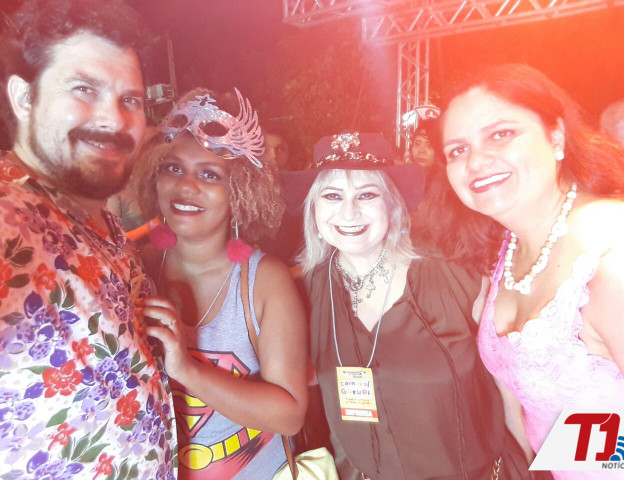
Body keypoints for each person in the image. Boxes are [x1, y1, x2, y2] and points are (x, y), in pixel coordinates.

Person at [281, 132, 529, 480]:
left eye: (367, 194)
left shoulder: (456, 276)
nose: (348, 212)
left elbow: (512, 384)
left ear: (392, 204)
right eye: (332, 195)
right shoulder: (301, 295)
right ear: (314, 210)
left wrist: (528, 461)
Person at [0, 1, 177, 479]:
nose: (113, 120)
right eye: (84, 89)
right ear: (24, 97)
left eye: (130, 100)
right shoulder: (11, 215)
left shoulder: (103, 222)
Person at [438, 63, 624, 479]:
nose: (476, 160)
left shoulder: (617, 253)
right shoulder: (506, 248)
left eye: (501, 134)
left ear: (557, 136)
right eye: (457, 150)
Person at [133, 88, 308, 479]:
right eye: (173, 168)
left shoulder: (264, 281)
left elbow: (290, 415)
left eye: (209, 174)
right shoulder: (136, 269)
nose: (185, 186)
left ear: (240, 191)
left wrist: (187, 369)